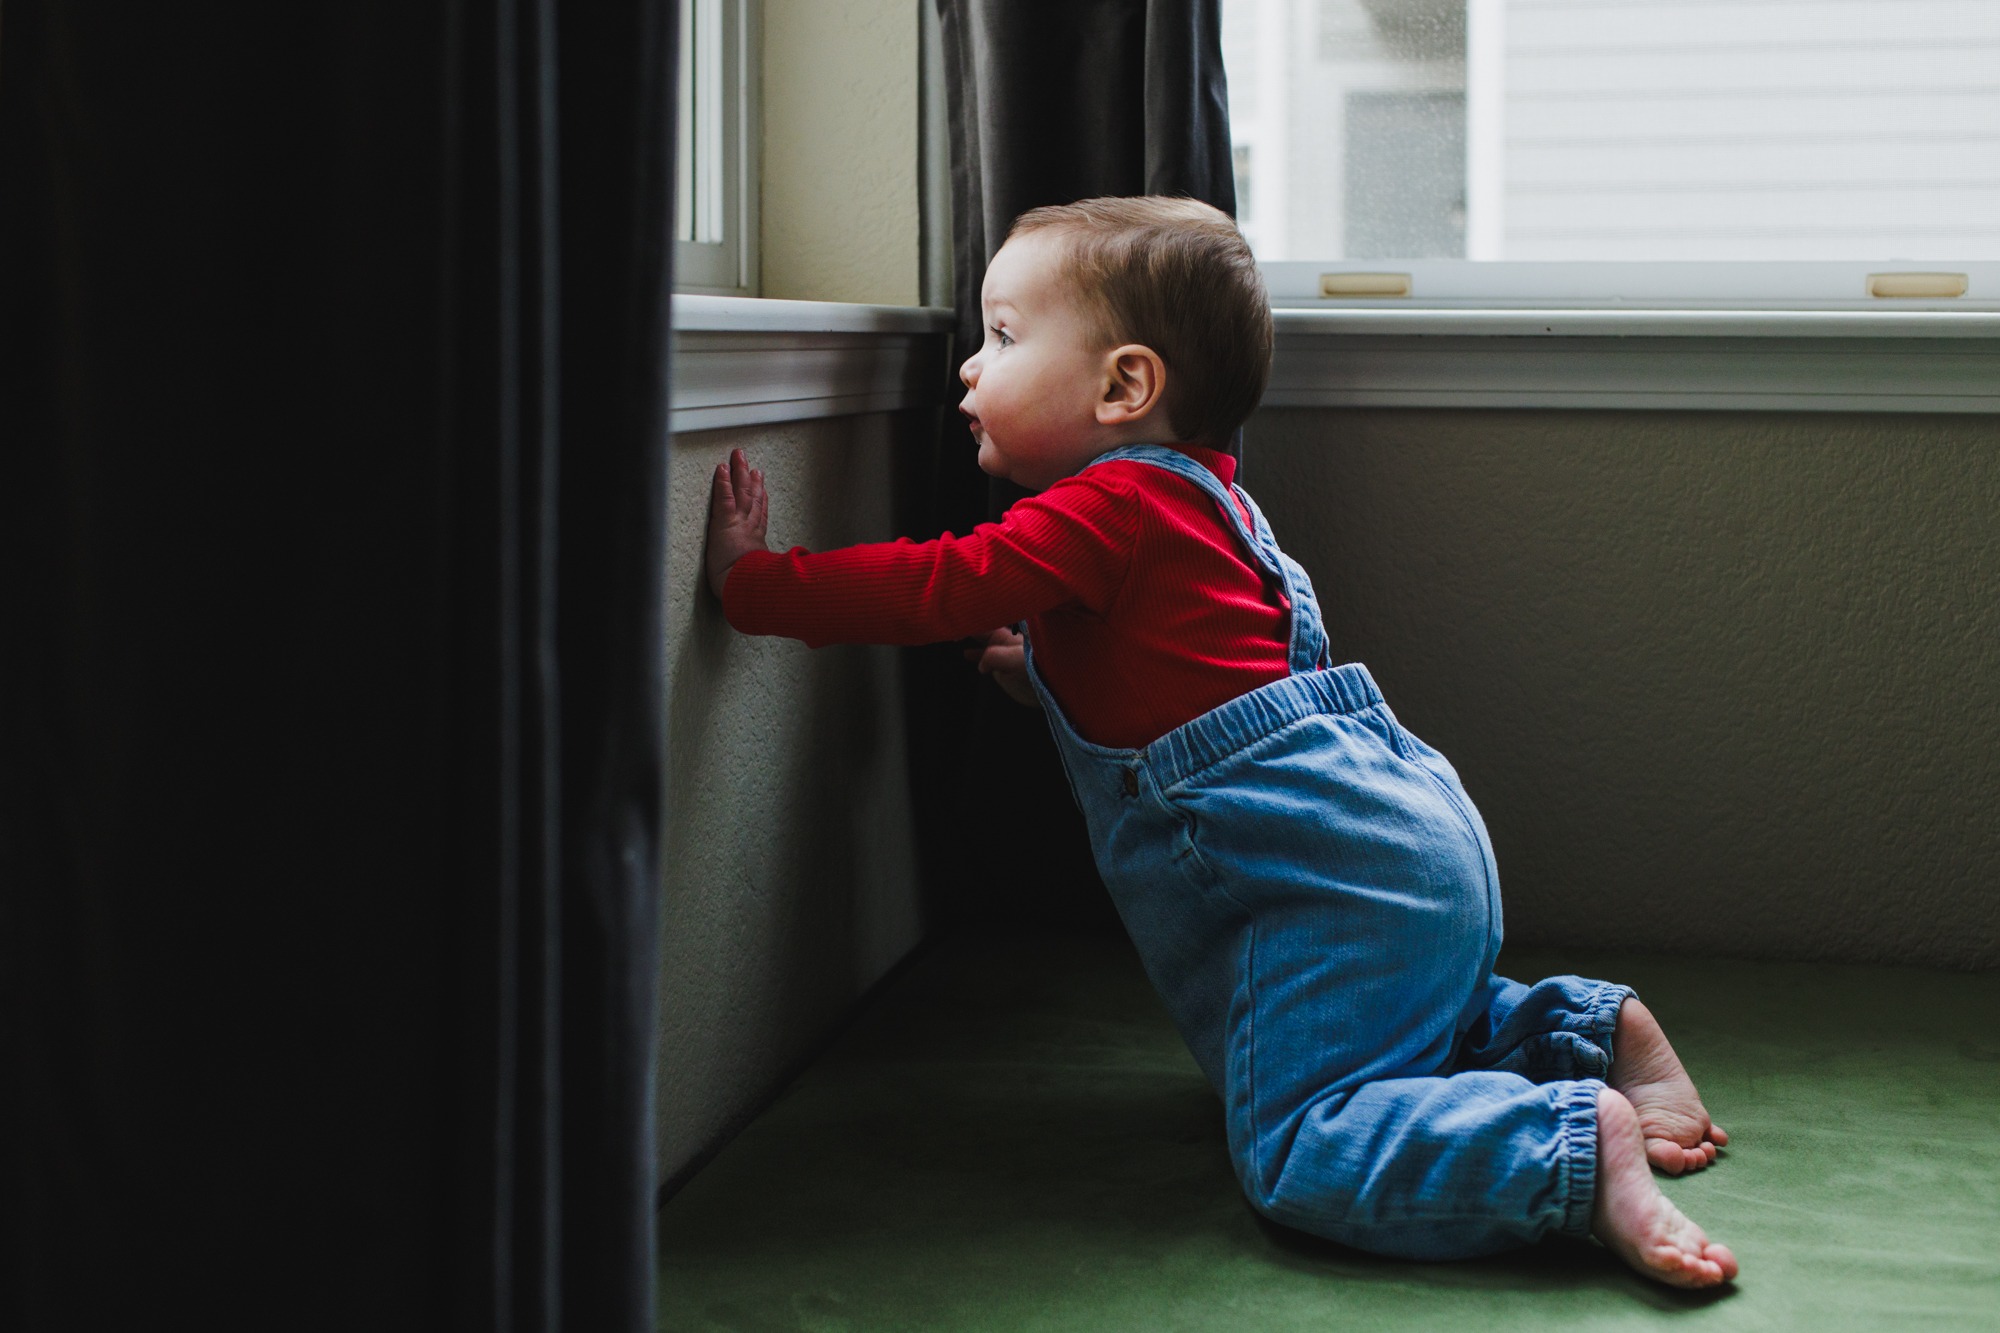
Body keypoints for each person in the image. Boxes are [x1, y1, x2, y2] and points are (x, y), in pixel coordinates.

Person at [703, 196, 1737, 1289]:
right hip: (1410, 843)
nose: (966, 369)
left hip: (1327, 882)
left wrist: (752, 582)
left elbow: (936, 582)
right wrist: (1037, 672)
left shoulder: (1095, 513)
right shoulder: (1214, 506)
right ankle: (1590, 1033)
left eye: (1001, 337)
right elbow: (1198, 680)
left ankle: (1567, 1150)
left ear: (1122, 387)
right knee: (1409, 1030)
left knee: (1299, 1142)